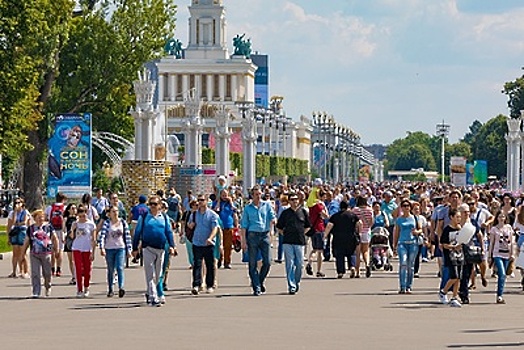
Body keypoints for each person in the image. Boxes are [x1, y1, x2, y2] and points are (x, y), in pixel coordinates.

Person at [132, 195, 176, 306]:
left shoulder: (164, 217)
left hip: (160, 249)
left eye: (155, 204)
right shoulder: (145, 216)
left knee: (159, 274)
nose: (152, 206)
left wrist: (172, 246)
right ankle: (153, 297)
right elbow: (137, 232)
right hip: (147, 248)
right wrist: (135, 248)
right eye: (150, 204)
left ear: (160, 205)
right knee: (149, 274)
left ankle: (151, 292)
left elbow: (169, 232)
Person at [240, 185, 276, 296]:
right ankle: (256, 287)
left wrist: (274, 221)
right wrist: (243, 241)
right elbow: (244, 225)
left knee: (267, 261)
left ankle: (259, 281)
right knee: (252, 263)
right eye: (256, 194)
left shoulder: (267, 205)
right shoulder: (248, 208)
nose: (258, 196)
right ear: (252, 195)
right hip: (252, 235)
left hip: (264, 235)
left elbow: (272, 216)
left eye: (259, 194)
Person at [276, 193, 311, 294]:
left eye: (296, 199)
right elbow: (279, 227)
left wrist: (302, 233)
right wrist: (284, 234)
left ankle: (296, 281)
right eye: (292, 199)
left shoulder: (303, 212)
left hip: (299, 241)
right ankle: (291, 285)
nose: (294, 201)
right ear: (289, 201)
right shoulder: (285, 213)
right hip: (288, 242)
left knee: (300, 264)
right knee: (289, 264)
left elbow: (308, 226)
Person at [22, 209, 58, 298]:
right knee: (35, 273)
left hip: (46, 253)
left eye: (42, 217)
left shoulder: (49, 227)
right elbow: (26, 241)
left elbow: (54, 238)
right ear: (34, 218)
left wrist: (56, 249)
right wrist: (22, 253)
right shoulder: (30, 228)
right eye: (38, 217)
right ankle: (36, 291)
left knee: (47, 273)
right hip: (34, 253)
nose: (40, 219)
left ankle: (48, 286)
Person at [99, 205, 132, 298]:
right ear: (109, 214)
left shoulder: (123, 222)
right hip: (109, 248)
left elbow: (127, 236)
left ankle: (121, 287)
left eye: (117, 211)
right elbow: (102, 236)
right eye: (113, 211)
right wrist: (101, 247)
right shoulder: (107, 223)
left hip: (120, 248)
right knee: (110, 269)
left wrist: (129, 249)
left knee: (120, 267)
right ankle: (110, 289)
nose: (115, 213)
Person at [190, 194, 220, 295]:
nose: (200, 202)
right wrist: (191, 225)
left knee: (209, 264)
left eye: (202, 200)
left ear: (207, 201)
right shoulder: (194, 214)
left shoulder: (212, 215)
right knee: (197, 264)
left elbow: (215, 228)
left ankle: (210, 285)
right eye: (199, 200)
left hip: (208, 243)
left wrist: (210, 238)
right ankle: (196, 285)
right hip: (197, 242)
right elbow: (190, 224)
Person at [324, 200, 362, 279]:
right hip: (351, 237)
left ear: (340, 207)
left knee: (339, 255)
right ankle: (352, 267)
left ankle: (340, 272)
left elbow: (329, 225)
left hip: (338, 238)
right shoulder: (352, 215)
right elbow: (360, 223)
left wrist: (325, 235)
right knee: (351, 253)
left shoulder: (335, 216)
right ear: (348, 206)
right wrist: (359, 232)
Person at [393, 199, 422, 294]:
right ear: (401, 208)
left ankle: (409, 286)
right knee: (403, 264)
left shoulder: (415, 218)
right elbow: (396, 233)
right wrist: (394, 245)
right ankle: (402, 286)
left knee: (411, 265)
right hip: (402, 243)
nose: (406, 207)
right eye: (404, 206)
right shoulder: (399, 219)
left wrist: (417, 232)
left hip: (413, 243)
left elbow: (420, 229)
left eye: (408, 206)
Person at [70, 204, 97, 298]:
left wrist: (93, 252)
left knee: (87, 269)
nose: (82, 218)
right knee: (78, 269)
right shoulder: (76, 223)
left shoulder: (91, 224)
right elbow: (72, 237)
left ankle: (86, 287)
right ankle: (79, 289)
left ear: (87, 214)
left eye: (84, 215)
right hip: (77, 248)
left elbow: (94, 240)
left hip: (87, 248)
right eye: (80, 216)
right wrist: (72, 229)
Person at [488, 210, 515, 304]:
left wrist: (512, 253)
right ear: (497, 218)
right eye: (500, 216)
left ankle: (500, 294)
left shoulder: (509, 228)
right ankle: (499, 295)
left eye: (503, 216)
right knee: (502, 273)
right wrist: (490, 255)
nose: (501, 218)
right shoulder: (494, 229)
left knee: (503, 276)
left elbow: (511, 242)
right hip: (497, 254)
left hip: (506, 253)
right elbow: (491, 243)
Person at [439, 208, 463, 308]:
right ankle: (443, 292)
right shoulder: (447, 229)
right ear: (451, 217)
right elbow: (443, 244)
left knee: (458, 277)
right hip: (450, 255)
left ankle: (454, 297)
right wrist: (453, 247)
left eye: (459, 217)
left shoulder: (459, 228)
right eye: (457, 217)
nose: (459, 219)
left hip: (460, 254)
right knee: (454, 276)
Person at [213, 189, 239, 269]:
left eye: (226, 195)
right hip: (219, 227)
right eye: (223, 195)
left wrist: (236, 225)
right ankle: (219, 261)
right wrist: (219, 202)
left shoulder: (230, 204)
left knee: (228, 246)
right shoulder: (217, 203)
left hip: (229, 226)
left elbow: (235, 212)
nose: (224, 197)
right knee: (218, 246)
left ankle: (227, 262)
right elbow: (215, 210)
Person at [306, 189, 329, 278]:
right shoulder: (319, 206)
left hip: (313, 229)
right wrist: (324, 207)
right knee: (320, 251)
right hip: (319, 228)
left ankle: (310, 262)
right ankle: (319, 270)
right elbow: (326, 216)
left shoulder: (311, 206)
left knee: (314, 249)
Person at [45, 192, 67, 277]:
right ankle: (58, 269)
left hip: (51, 229)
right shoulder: (64, 208)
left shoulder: (50, 207)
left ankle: (52, 269)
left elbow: (46, 217)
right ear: (63, 199)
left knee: (52, 250)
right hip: (61, 230)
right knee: (60, 249)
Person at [7, 198, 30, 278]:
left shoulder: (25, 212)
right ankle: (14, 271)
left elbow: (25, 222)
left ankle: (24, 271)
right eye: (16, 202)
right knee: (15, 253)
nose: (17, 204)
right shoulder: (12, 213)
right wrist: (8, 236)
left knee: (22, 253)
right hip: (15, 232)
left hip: (23, 232)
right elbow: (11, 224)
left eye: (19, 202)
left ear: (22, 203)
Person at [353, 196, 374, 278]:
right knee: (366, 250)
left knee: (357, 253)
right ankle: (367, 264)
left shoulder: (355, 210)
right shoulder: (370, 210)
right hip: (367, 231)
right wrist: (368, 227)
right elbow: (372, 221)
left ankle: (357, 271)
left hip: (358, 232)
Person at [63, 203, 77, 285]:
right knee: (71, 260)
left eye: (75, 208)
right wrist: (64, 237)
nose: (74, 210)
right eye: (72, 208)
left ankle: (79, 275)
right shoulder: (66, 219)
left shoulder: (78, 218)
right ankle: (73, 276)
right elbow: (63, 229)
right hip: (69, 240)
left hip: (77, 239)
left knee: (78, 259)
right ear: (68, 210)